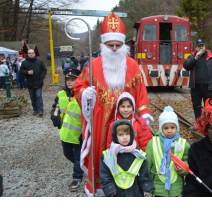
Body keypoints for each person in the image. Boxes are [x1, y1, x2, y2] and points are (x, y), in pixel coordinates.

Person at [74, 12, 153, 197]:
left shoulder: (133, 66)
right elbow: (79, 85)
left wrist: (145, 112)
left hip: (126, 120)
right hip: (101, 121)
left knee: (127, 156)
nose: (115, 48)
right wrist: (85, 93)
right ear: (104, 45)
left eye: (118, 45)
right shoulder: (93, 65)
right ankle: (102, 189)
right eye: (111, 45)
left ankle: (128, 187)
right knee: (100, 154)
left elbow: (141, 92)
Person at [100, 119, 154, 197]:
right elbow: (105, 175)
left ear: (131, 134)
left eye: (127, 134)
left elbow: (143, 173)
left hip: (135, 191)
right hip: (115, 192)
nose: (125, 137)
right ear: (115, 136)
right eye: (121, 135)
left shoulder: (139, 154)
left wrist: (147, 186)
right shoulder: (108, 155)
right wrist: (109, 189)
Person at [51, 67, 84, 192]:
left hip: (79, 134)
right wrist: (55, 118)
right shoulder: (61, 94)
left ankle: (77, 178)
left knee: (78, 156)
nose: (69, 82)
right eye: (67, 80)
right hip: (65, 133)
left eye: (72, 79)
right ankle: (81, 167)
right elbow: (56, 107)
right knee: (67, 154)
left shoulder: (82, 95)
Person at [145, 106, 190, 197]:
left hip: (176, 187)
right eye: (166, 128)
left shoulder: (183, 144)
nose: (169, 131)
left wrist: (183, 169)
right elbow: (147, 165)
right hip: (158, 187)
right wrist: (147, 185)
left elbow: (188, 162)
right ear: (161, 129)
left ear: (177, 128)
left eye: (172, 127)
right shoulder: (152, 143)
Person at [183, 39, 212, 130]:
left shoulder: (211, 57)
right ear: (196, 48)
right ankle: (198, 125)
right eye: (199, 46)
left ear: (204, 47)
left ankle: (209, 125)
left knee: (209, 108)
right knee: (197, 107)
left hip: (207, 87)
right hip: (195, 87)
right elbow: (186, 67)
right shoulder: (192, 56)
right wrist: (195, 58)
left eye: (202, 46)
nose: (201, 47)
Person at [20, 49, 47, 117]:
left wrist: (41, 77)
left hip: (38, 81)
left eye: (32, 53)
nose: (31, 54)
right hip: (30, 82)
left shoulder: (40, 61)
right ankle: (35, 110)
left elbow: (44, 70)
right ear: (27, 54)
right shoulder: (24, 62)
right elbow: (21, 71)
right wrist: (27, 72)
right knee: (32, 98)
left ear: (34, 54)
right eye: (30, 53)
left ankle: (41, 110)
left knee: (38, 96)